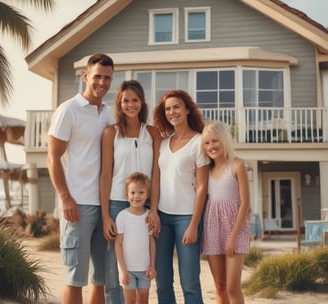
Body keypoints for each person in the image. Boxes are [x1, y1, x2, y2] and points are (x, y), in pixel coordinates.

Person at [47, 53, 114, 304]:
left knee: (101, 278)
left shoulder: (110, 113)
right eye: (97, 76)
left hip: (106, 207)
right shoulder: (68, 110)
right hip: (77, 206)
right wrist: (65, 197)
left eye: (107, 78)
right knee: (75, 277)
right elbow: (52, 158)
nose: (102, 83)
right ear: (86, 76)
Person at [100, 80, 161, 304]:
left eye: (135, 100)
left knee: (143, 259)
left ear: (142, 102)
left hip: (146, 205)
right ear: (119, 103)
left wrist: (153, 208)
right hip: (117, 204)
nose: (130, 105)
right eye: (126, 100)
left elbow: (156, 173)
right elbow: (106, 174)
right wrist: (106, 215)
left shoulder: (152, 133)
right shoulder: (110, 133)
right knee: (114, 269)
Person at [153, 89, 209, 303]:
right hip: (162, 218)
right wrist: (154, 212)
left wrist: (194, 224)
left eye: (176, 107)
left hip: (186, 218)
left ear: (187, 109)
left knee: (190, 282)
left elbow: (202, 186)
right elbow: (156, 180)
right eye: (167, 109)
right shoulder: (163, 143)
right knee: (163, 281)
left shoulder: (199, 141)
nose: (172, 112)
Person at [201, 120, 250, 304]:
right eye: (207, 143)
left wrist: (233, 237)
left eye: (215, 141)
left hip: (235, 228)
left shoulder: (237, 165)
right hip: (213, 227)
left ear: (224, 140)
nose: (211, 146)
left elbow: (245, 204)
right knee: (220, 285)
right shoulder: (206, 170)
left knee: (232, 286)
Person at [115, 172, 157, 304]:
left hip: (145, 269)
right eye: (132, 193)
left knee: (144, 300)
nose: (136, 196)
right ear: (127, 195)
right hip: (128, 270)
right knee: (130, 301)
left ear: (147, 194)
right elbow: (118, 244)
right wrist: (123, 270)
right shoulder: (122, 216)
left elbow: (151, 243)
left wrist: (152, 266)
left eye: (141, 192)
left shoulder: (149, 216)